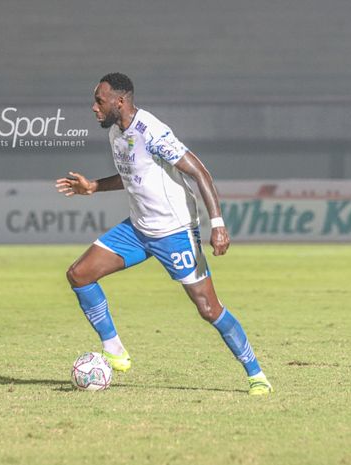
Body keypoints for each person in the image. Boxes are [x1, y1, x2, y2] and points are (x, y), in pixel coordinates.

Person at [55, 73, 273, 395]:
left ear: (120, 101)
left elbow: (200, 172)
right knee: (80, 274)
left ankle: (256, 375)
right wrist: (94, 187)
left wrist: (218, 224)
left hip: (175, 232)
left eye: (99, 101)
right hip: (138, 229)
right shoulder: (116, 132)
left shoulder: (152, 132)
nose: (93, 107)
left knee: (208, 309)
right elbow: (132, 174)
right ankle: (115, 351)